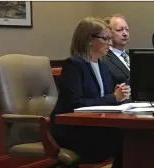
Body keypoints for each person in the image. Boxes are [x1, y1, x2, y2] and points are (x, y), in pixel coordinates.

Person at [50, 17, 130, 168]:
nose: (110, 43)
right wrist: (113, 97)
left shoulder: (102, 65)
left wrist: (119, 95)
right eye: (106, 38)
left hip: (93, 126)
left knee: (132, 137)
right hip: (72, 131)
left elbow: (102, 99)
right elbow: (76, 104)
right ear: (89, 40)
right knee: (127, 139)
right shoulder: (74, 65)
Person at [103, 14, 130, 90]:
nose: (125, 34)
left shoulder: (133, 57)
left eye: (127, 29)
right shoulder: (103, 58)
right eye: (119, 30)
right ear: (108, 33)